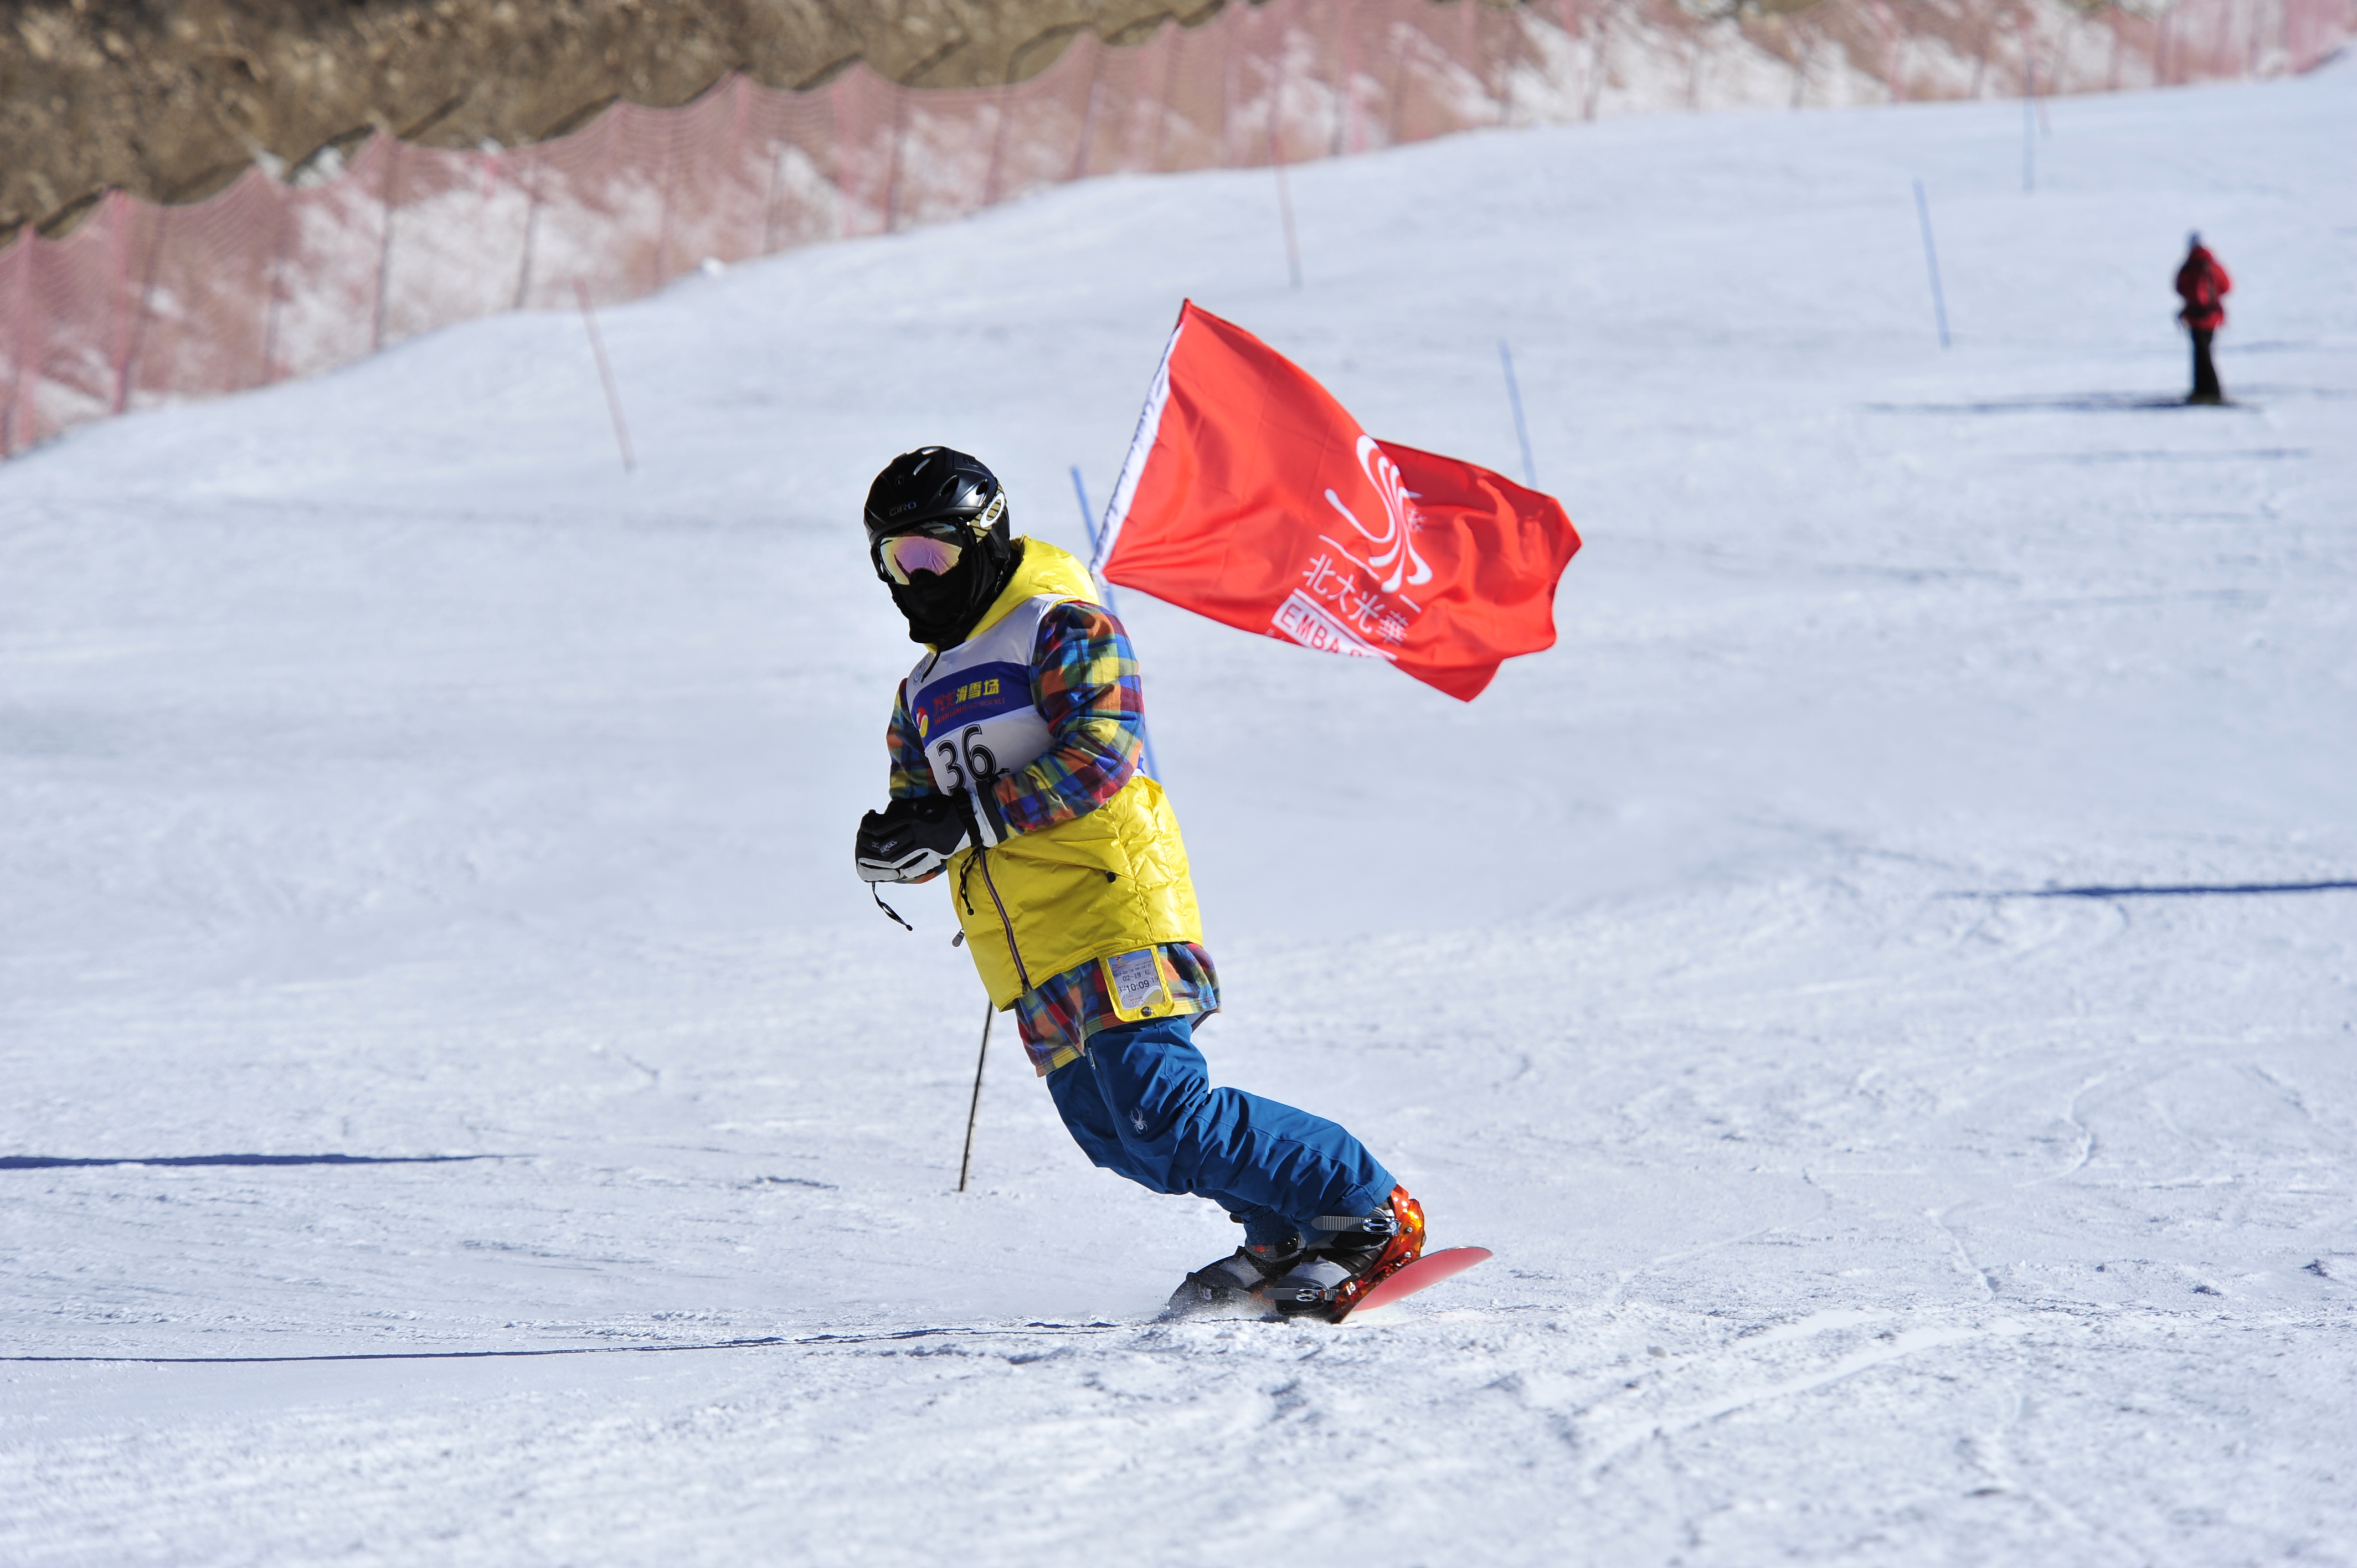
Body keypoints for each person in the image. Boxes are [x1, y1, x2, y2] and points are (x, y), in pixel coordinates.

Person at [850, 446, 1423, 1321]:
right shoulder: (920, 690)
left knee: (1162, 1113)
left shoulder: (1061, 626)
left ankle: (1365, 1204)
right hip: (1026, 946)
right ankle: (1282, 1229)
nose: (916, 578)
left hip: (1112, 902)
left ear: (987, 540)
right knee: (1117, 1140)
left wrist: (969, 820)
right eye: (896, 560)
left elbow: (1101, 756)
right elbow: (922, 808)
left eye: (934, 554)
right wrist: (899, 845)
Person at [2175, 233, 2232, 405]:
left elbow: (2179, 287)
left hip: (2195, 316)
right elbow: (2227, 286)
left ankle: (2205, 391)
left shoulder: (2188, 266)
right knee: (2207, 352)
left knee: (2200, 354)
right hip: (2213, 316)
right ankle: (2210, 390)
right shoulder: (2214, 265)